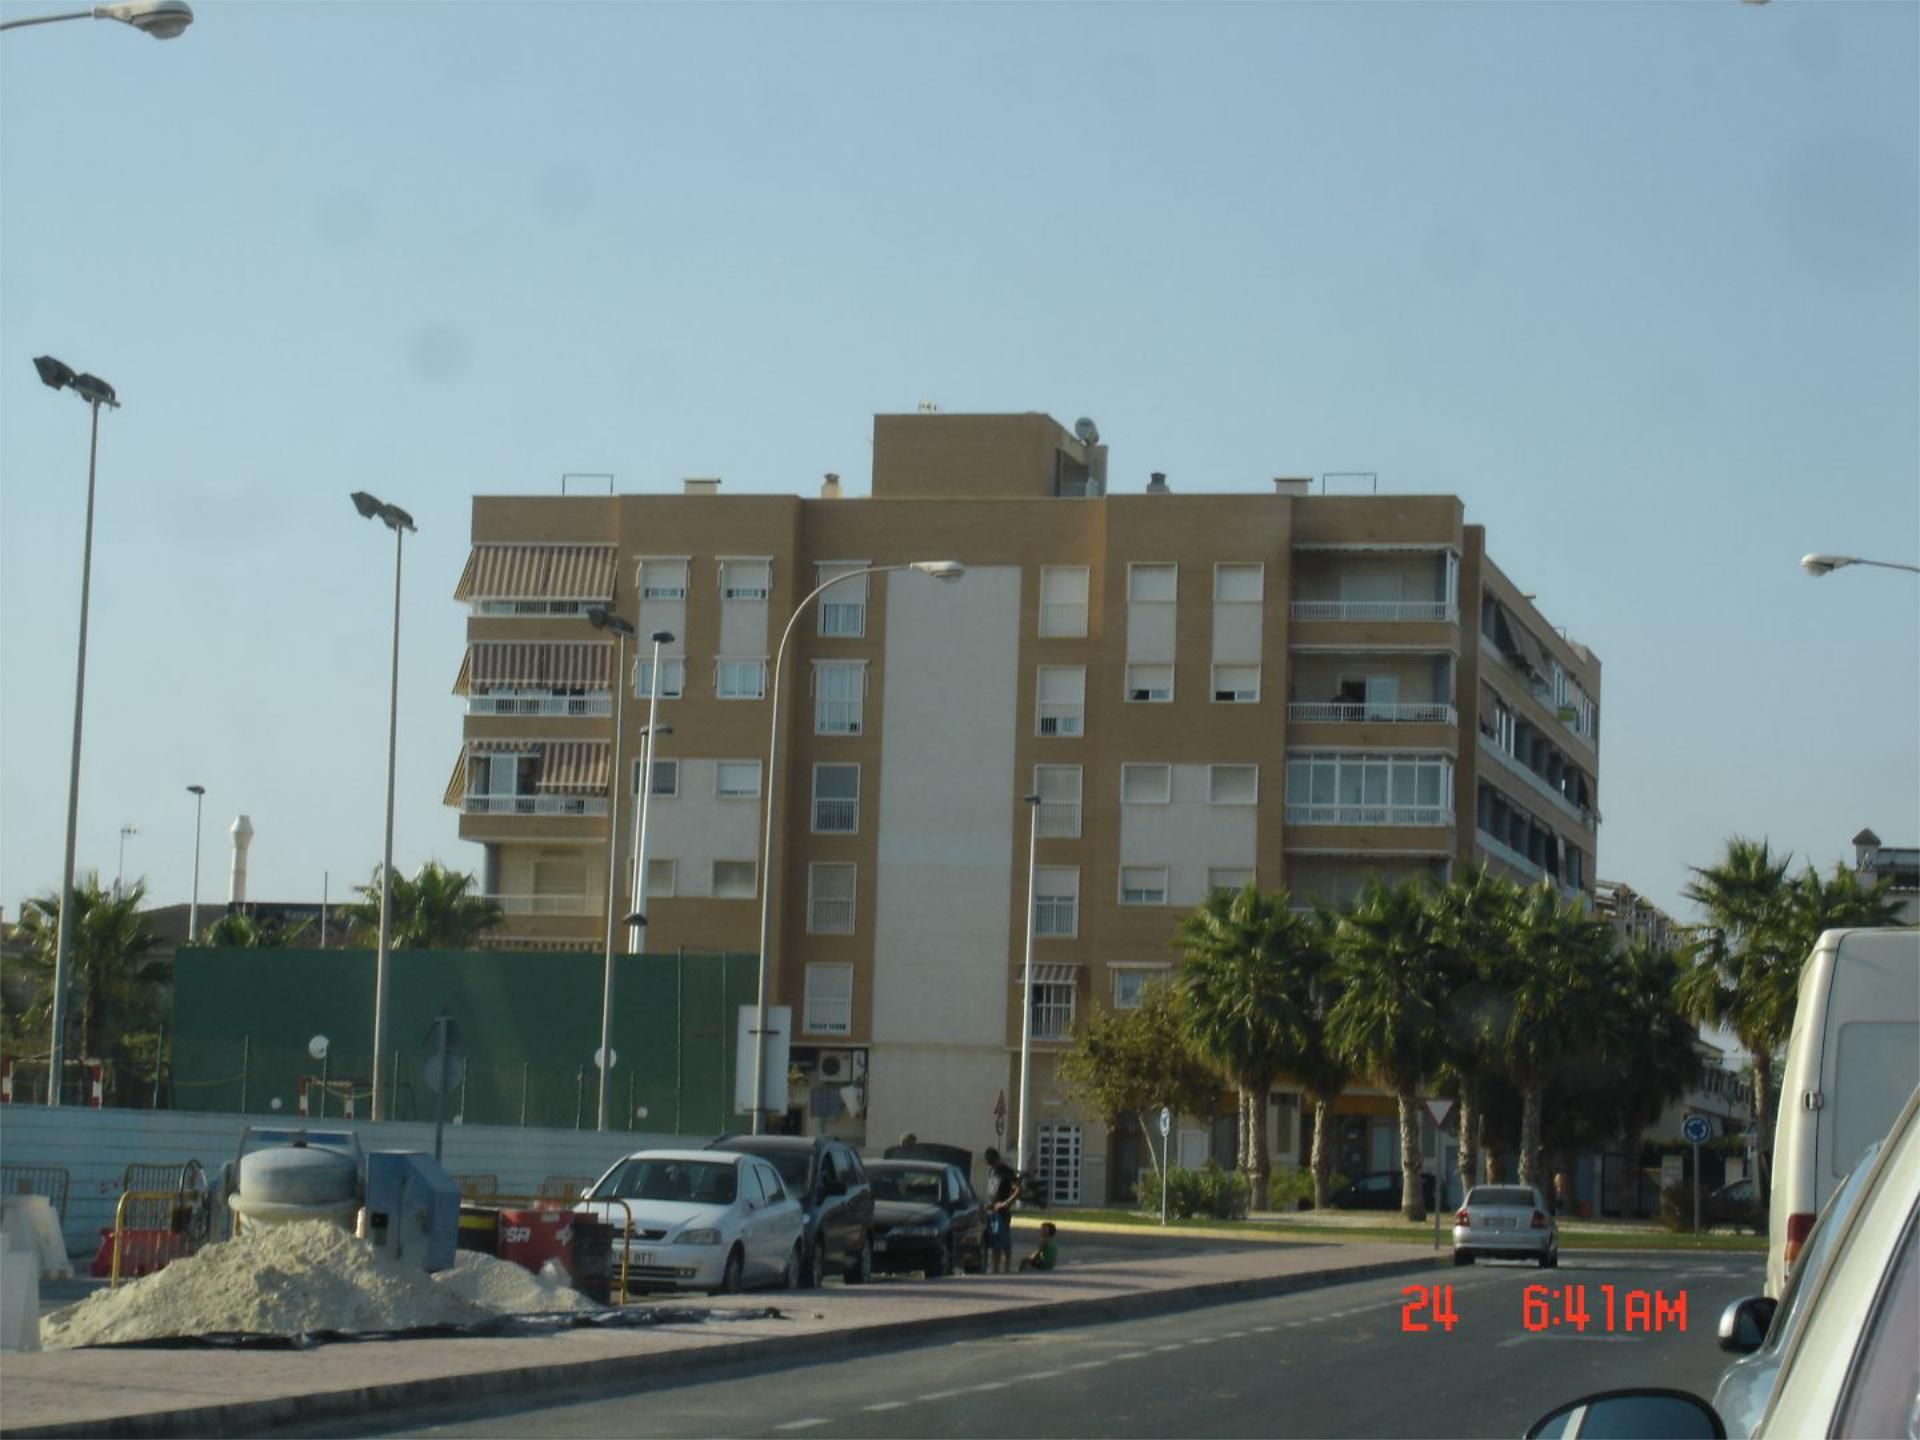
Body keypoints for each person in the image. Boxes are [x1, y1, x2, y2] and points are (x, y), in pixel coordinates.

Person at [982, 1146, 1020, 1274]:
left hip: (1002, 1211)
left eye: (992, 1161)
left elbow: (1018, 1189)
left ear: (997, 1158)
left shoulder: (1006, 1171)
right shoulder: (992, 1171)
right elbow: (991, 1189)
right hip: (991, 1209)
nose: (991, 1164)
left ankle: (1006, 1268)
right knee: (994, 1241)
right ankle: (995, 1268)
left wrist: (1006, 1203)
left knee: (1004, 1240)